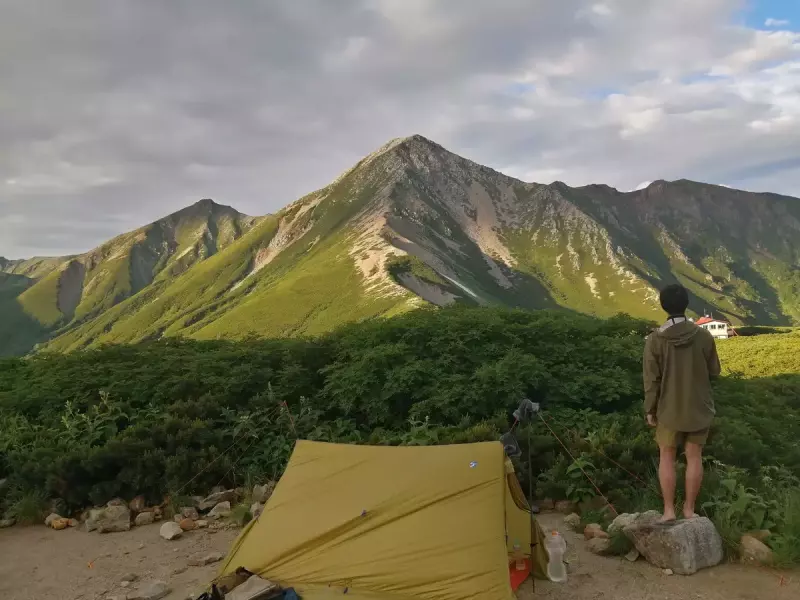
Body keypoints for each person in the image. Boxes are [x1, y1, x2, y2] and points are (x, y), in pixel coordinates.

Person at [643, 284, 721, 521]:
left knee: (666, 456)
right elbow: (714, 371)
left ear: (663, 305)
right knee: (694, 457)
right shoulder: (704, 336)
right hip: (698, 407)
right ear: (686, 304)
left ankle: (668, 511)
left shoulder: (655, 340)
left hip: (667, 410)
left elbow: (651, 379)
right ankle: (689, 510)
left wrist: (650, 409)